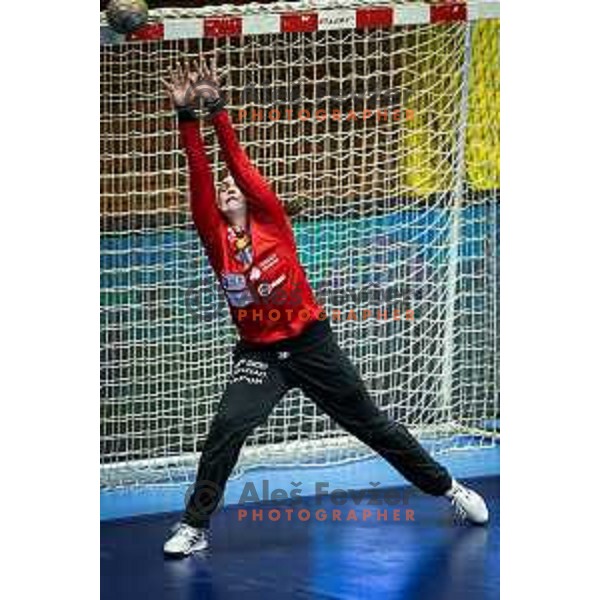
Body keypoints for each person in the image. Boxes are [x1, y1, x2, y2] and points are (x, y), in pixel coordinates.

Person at [161, 56, 488, 557]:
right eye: (221, 191)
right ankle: (195, 525)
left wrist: (217, 110)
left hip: (311, 344)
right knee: (226, 430)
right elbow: (201, 177)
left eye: (235, 189)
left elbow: (238, 167)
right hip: (259, 355)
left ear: (251, 198)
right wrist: (188, 118)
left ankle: (449, 489)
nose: (226, 189)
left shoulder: (273, 224)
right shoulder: (216, 239)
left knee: (372, 426)